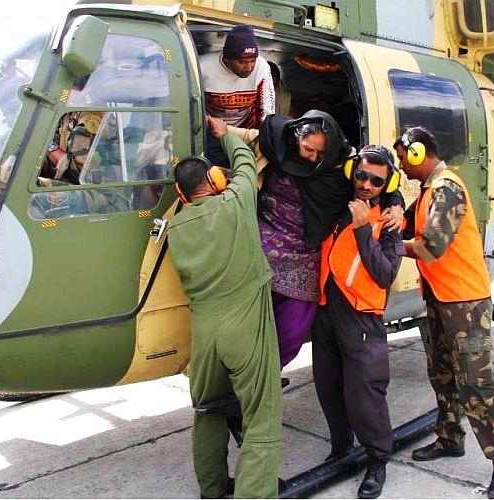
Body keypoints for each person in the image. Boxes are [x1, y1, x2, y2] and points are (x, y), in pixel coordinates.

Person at [209, 111, 403, 368]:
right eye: (308, 149)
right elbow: (247, 137)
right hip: (259, 240)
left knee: (292, 329)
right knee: (243, 319)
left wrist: (396, 202)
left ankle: (265, 372)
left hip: (304, 253)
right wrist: (222, 131)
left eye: (321, 153)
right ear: (296, 138)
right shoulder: (278, 143)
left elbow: (377, 178)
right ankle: (239, 374)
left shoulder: (341, 161)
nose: (313, 158)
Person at [394, 126, 494, 499]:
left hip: (464, 303)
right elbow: (410, 225)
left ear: (418, 153)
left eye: (403, 157)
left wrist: (389, 243)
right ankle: (450, 438)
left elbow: (431, 246)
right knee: (443, 372)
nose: (401, 165)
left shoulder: (447, 189)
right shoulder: (428, 191)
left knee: (477, 384)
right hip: (439, 298)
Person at [167, 126, 282, 499]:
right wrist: (227, 133)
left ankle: (213, 489)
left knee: (207, 411)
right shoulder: (235, 200)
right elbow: (246, 162)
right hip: (245, 327)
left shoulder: (175, 226)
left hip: (205, 335)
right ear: (216, 180)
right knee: (262, 418)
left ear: (180, 195)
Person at [312, 146, 404, 499]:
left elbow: (385, 275)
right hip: (326, 313)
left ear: (387, 183)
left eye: (377, 181)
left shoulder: (390, 224)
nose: (366, 185)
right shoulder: (339, 202)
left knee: (365, 394)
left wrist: (366, 229)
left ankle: (377, 460)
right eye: (362, 175)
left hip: (362, 319)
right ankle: (340, 447)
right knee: (329, 387)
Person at [200, 25, 274, 164]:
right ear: (227, 59)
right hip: (211, 129)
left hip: (245, 131)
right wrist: (209, 122)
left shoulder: (261, 67)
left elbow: (266, 110)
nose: (249, 67)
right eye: (242, 62)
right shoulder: (203, 66)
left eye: (252, 61)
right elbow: (193, 104)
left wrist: (262, 140)